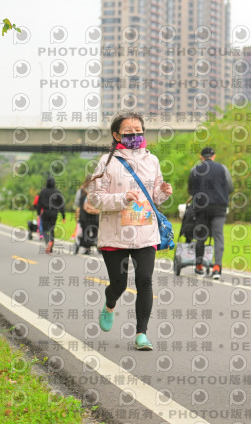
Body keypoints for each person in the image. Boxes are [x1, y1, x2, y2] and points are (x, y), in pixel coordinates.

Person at [86, 111, 173, 351]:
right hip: (115, 234)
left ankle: (141, 334)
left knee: (145, 280)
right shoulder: (107, 162)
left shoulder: (152, 161)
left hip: (145, 232)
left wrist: (163, 193)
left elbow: (154, 198)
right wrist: (122, 198)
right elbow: (95, 198)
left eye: (138, 130)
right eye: (128, 132)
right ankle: (110, 302)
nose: (135, 135)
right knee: (119, 284)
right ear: (116, 135)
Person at [188, 147, 233, 279]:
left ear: (201, 157)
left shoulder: (195, 169)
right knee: (218, 236)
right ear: (213, 156)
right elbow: (230, 187)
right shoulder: (223, 169)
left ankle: (199, 266)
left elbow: (190, 190)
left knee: (201, 236)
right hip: (219, 207)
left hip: (201, 208)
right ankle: (217, 268)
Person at [36, 176, 66, 254]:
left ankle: (47, 242)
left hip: (45, 212)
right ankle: (51, 244)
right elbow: (61, 205)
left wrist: (38, 213)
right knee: (52, 229)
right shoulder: (57, 192)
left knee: (45, 229)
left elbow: (39, 203)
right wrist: (63, 216)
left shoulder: (43, 191)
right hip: (54, 213)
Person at [74, 175, 100, 254]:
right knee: (95, 231)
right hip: (95, 214)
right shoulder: (97, 191)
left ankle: (87, 247)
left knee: (86, 231)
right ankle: (93, 244)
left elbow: (77, 202)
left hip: (84, 215)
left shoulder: (81, 190)